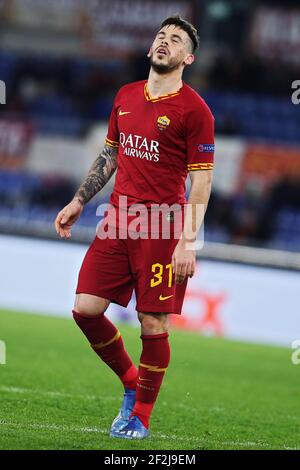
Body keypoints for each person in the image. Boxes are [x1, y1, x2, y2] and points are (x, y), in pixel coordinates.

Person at [54, 15, 214, 440]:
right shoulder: (125, 96)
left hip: (162, 229)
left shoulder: (195, 111)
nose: (165, 42)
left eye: (176, 40)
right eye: (160, 37)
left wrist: (188, 241)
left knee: (152, 324)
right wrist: (78, 200)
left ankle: (140, 415)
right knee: (85, 311)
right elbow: (109, 156)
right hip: (116, 221)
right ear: (150, 49)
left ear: (188, 57)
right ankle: (130, 380)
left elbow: (202, 181)